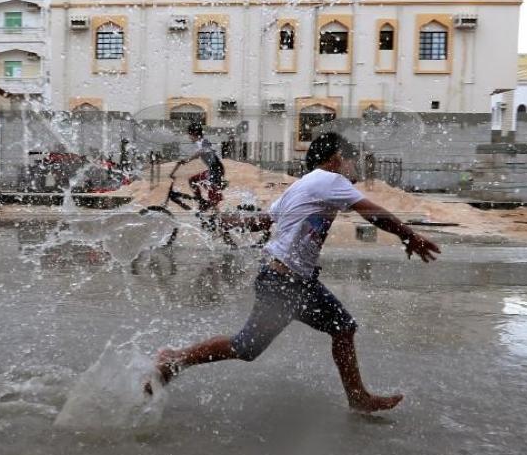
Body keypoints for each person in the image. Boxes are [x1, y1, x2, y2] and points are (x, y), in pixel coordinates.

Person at [150, 133, 441, 413]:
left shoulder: (302, 185)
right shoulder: (331, 180)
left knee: (342, 327)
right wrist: (409, 236)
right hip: (284, 282)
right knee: (246, 346)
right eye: (352, 160)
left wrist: (230, 221)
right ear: (337, 158)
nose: (354, 167)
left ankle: (358, 397)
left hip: (294, 281)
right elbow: (371, 211)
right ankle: (175, 359)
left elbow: (264, 220)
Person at [171, 122, 226, 212]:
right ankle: (202, 202)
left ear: (194, 134)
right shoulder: (199, 143)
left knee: (212, 198)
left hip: (216, 170)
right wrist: (186, 160)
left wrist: (188, 159)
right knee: (193, 180)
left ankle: (215, 215)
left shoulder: (204, 141)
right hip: (212, 170)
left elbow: (202, 151)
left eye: (190, 135)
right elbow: (200, 153)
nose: (189, 137)